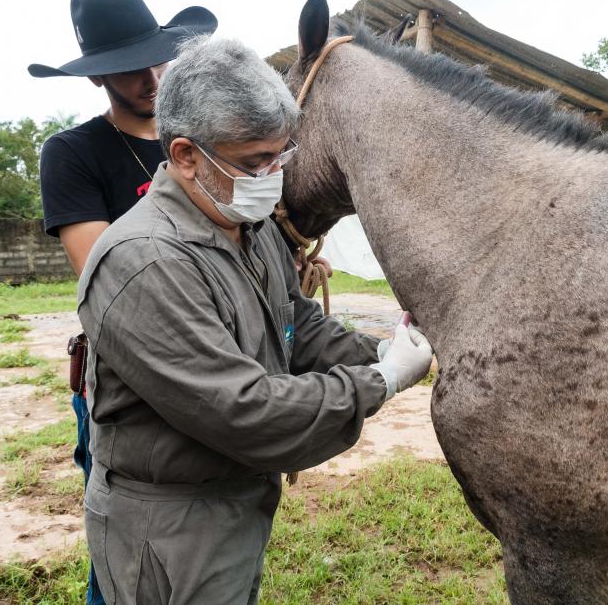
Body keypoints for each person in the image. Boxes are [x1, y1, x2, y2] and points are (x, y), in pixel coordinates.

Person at [76, 34, 434, 604]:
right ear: (187, 156)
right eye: (254, 161)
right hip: (171, 523)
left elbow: (290, 323)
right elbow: (243, 410)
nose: (273, 174)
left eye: (280, 155)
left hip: (234, 497)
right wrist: (381, 380)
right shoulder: (144, 262)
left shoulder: (249, 223)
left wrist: (381, 347)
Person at [29, 0, 217, 605]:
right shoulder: (73, 154)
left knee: (214, 530)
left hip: (215, 363)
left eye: (156, 57)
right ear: (96, 79)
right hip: (123, 381)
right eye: (126, 67)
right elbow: (106, 275)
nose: (150, 76)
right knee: (124, 548)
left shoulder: (205, 145)